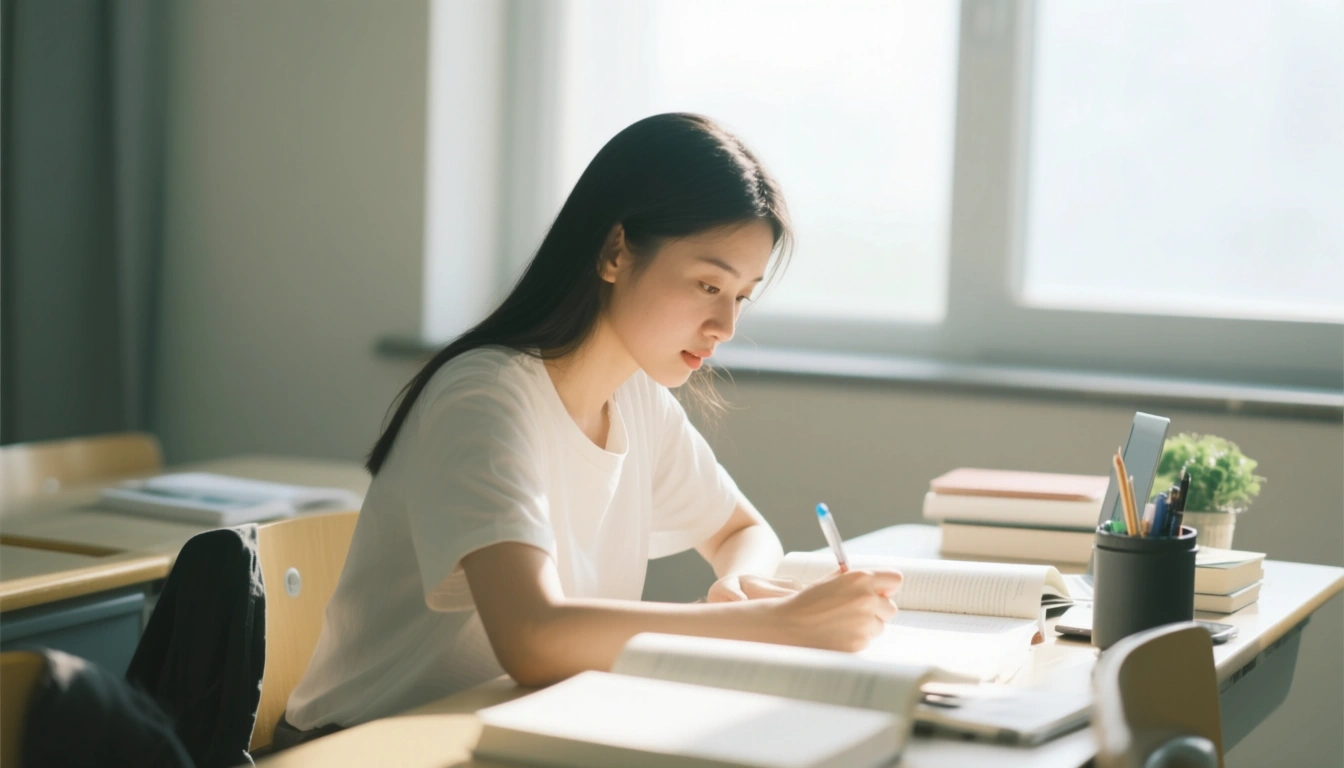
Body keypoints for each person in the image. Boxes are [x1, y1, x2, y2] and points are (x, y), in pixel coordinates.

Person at [284, 113, 902, 730]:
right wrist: (773, 626)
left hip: (522, 728)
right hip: (368, 743)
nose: (726, 328)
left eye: (741, 296)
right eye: (708, 284)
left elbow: (744, 531)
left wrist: (739, 586)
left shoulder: (637, 400)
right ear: (614, 252)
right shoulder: (484, 398)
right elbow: (532, 638)